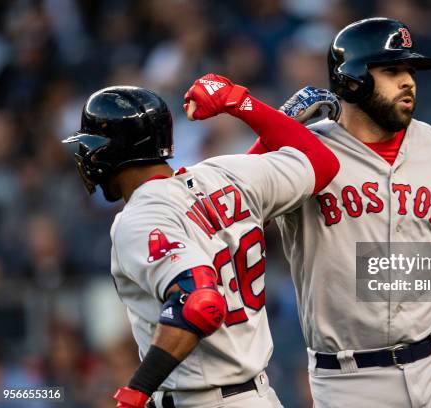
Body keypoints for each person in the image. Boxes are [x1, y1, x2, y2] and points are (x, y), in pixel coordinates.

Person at [247, 17, 431, 407]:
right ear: (351, 79)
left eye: (410, 69)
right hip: (352, 380)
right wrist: (275, 129)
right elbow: (233, 207)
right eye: (391, 70)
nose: (408, 80)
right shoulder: (303, 152)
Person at [62, 73, 339, 408]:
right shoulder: (228, 173)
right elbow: (323, 163)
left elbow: (199, 303)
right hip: (259, 395)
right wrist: (242, 103)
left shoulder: (138, 218)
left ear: (107, 153)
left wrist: (136, 392)